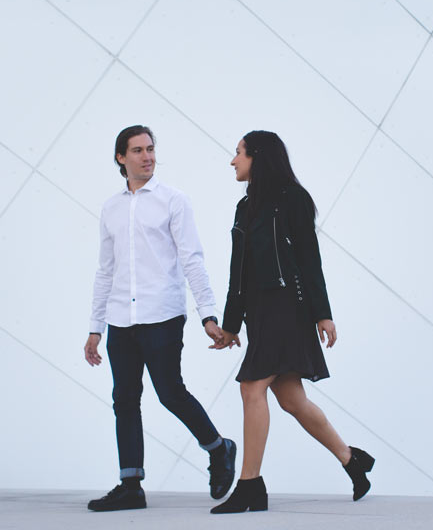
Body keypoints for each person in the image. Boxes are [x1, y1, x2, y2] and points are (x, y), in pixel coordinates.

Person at [208, 130, 374, 514]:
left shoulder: (293, 200)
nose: (233, 161)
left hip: (288, 307)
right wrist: (232, 325)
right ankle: (353, 460)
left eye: (238, 153)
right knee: (291, 399)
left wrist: (323, 313)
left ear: (258, 157)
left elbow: (309, 259)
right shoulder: (244, 207)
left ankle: (250, 485)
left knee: (252, 387)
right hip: (259, 313)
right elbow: (240, 273)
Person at [84, 125, 236, 512]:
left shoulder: (174, 200)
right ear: (121, 157)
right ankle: (131, 484)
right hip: (120, 318)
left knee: (170, 393)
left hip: (163, 315)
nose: (147, 156)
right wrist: (94, 328)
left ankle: (218, 449)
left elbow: (192, 260)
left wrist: (208, 315)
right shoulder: (111, 208)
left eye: (151, 149)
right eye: (137, 150)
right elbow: (105, 270)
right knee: (125, 399)